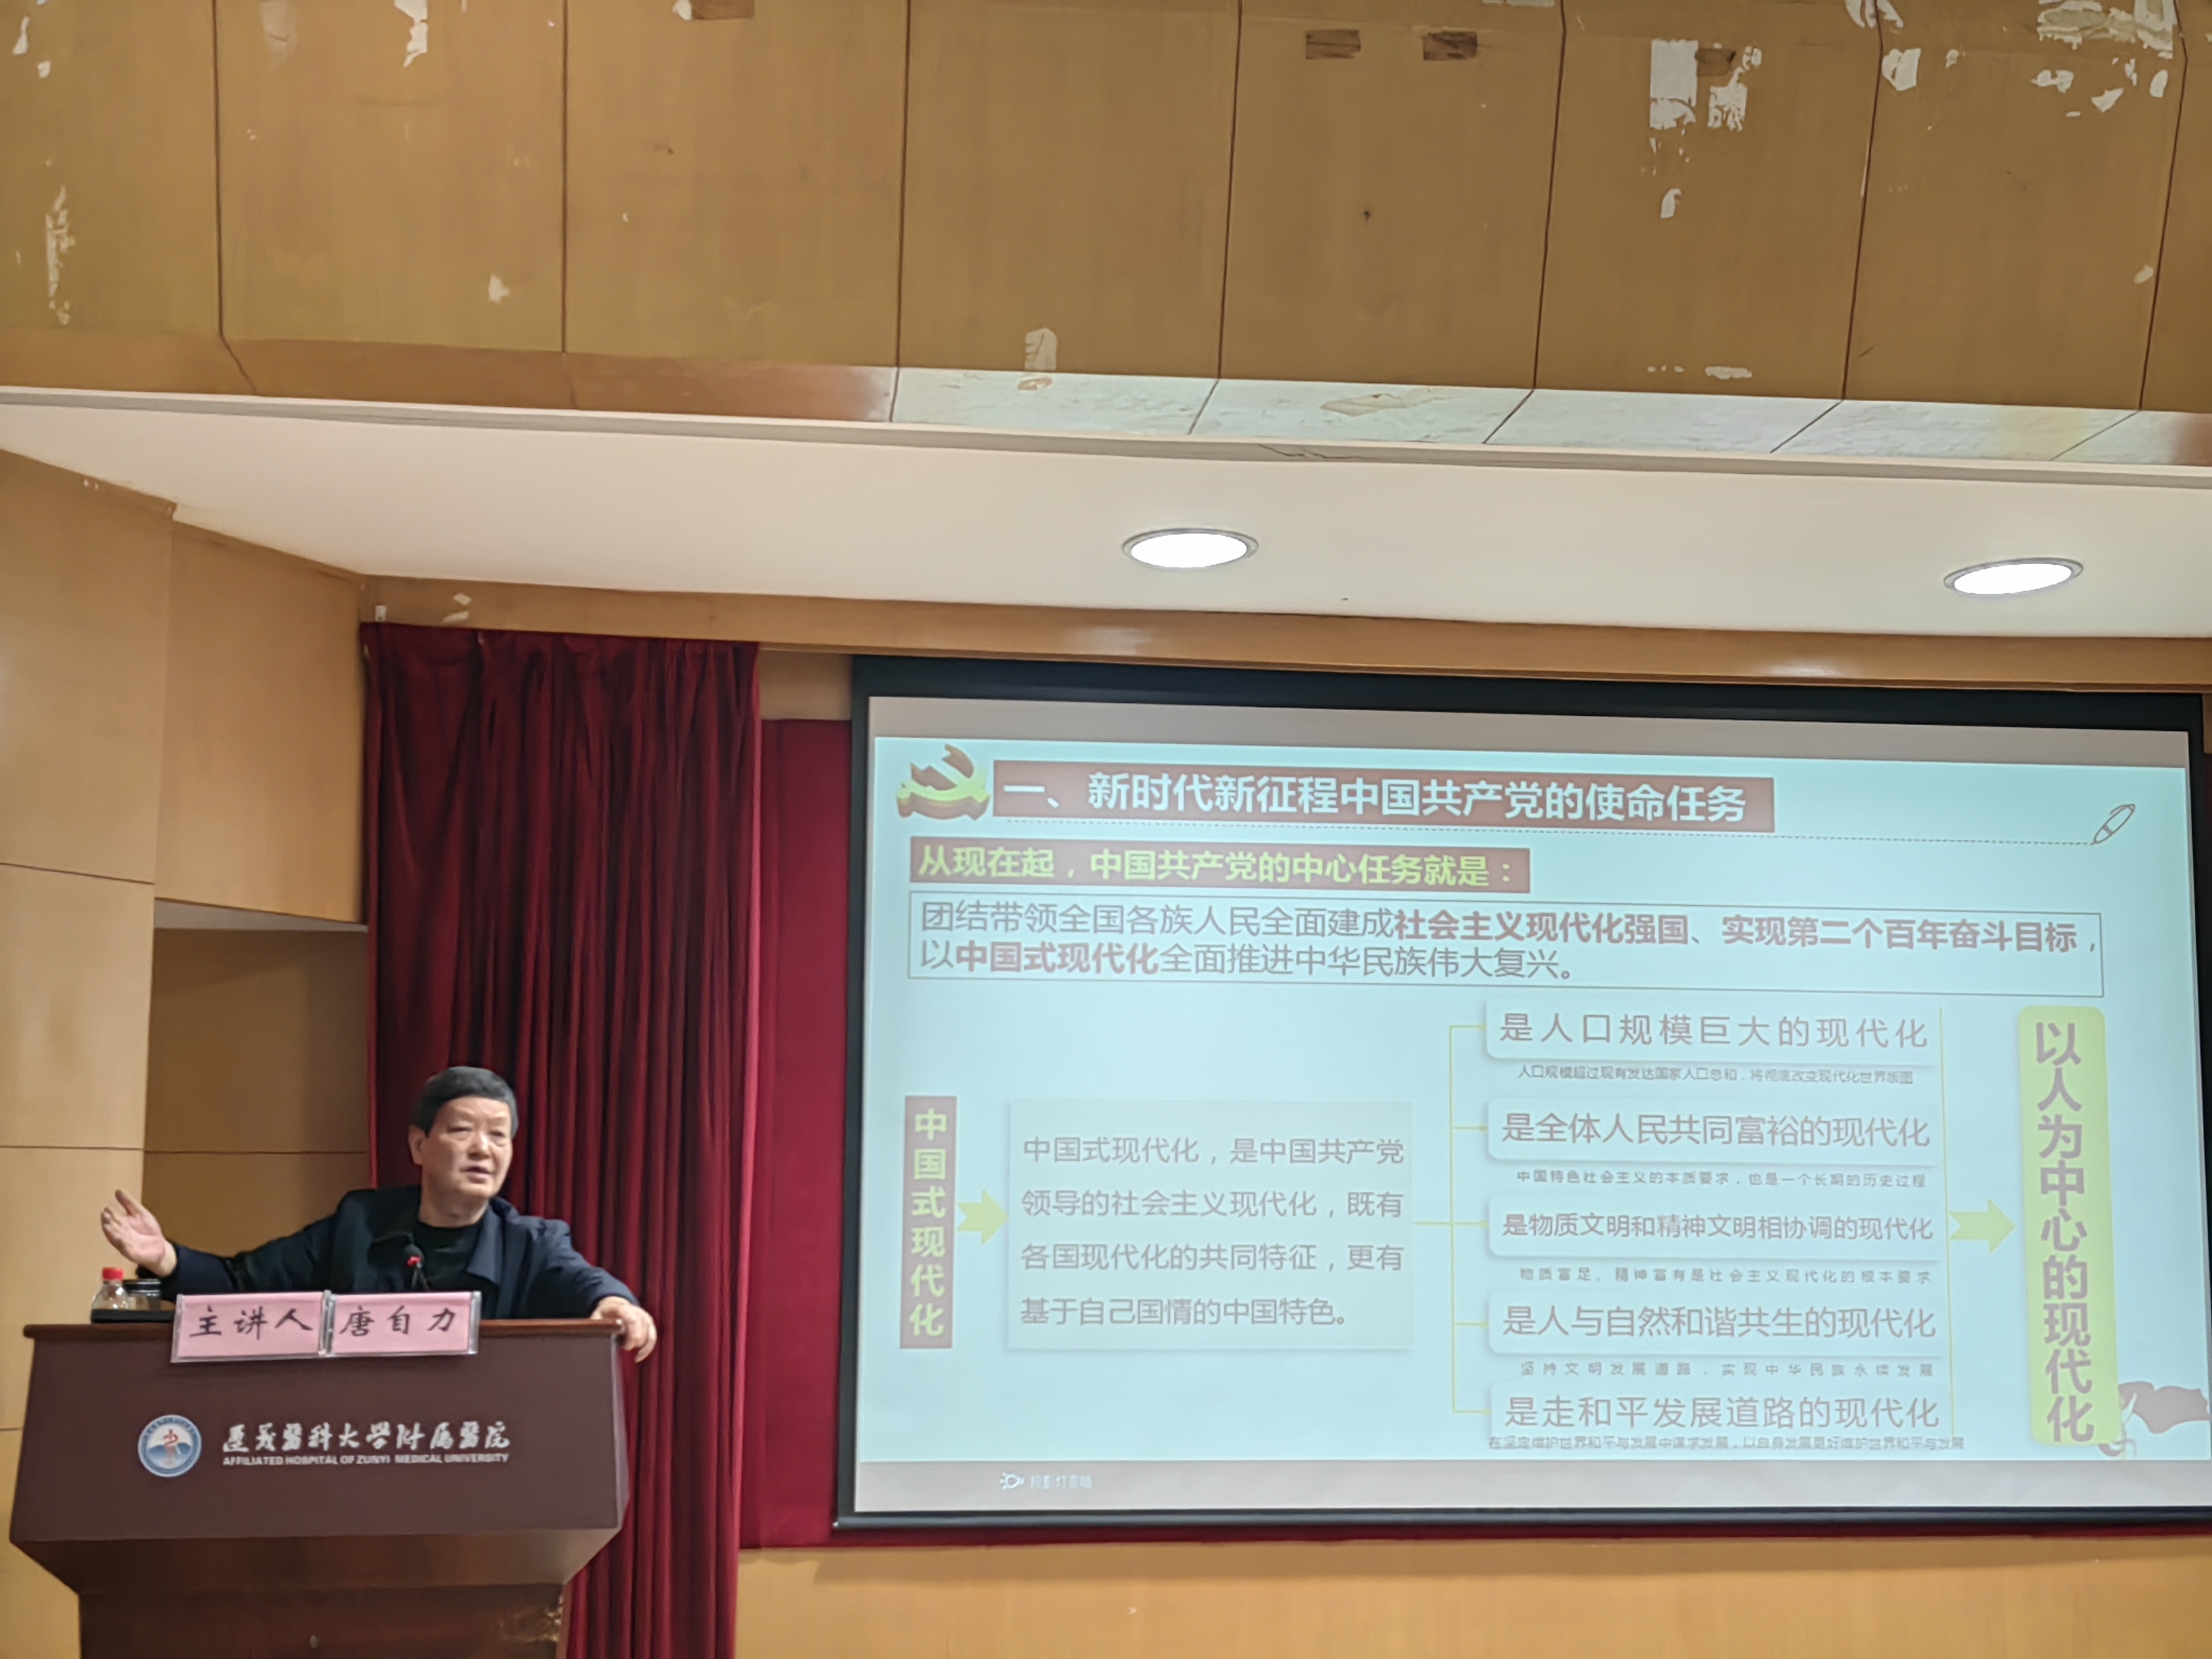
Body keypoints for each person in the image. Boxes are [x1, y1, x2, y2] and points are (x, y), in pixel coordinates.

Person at [100, 1066, 657, 1359]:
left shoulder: (530, 1243)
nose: (483, 1150)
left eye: (498, 1136)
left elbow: (582, 1282)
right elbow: (244, 1285)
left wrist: (615, 1303)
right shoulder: (359, 1226)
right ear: (419, 1146)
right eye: (463, 1131)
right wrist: (167, 1259)